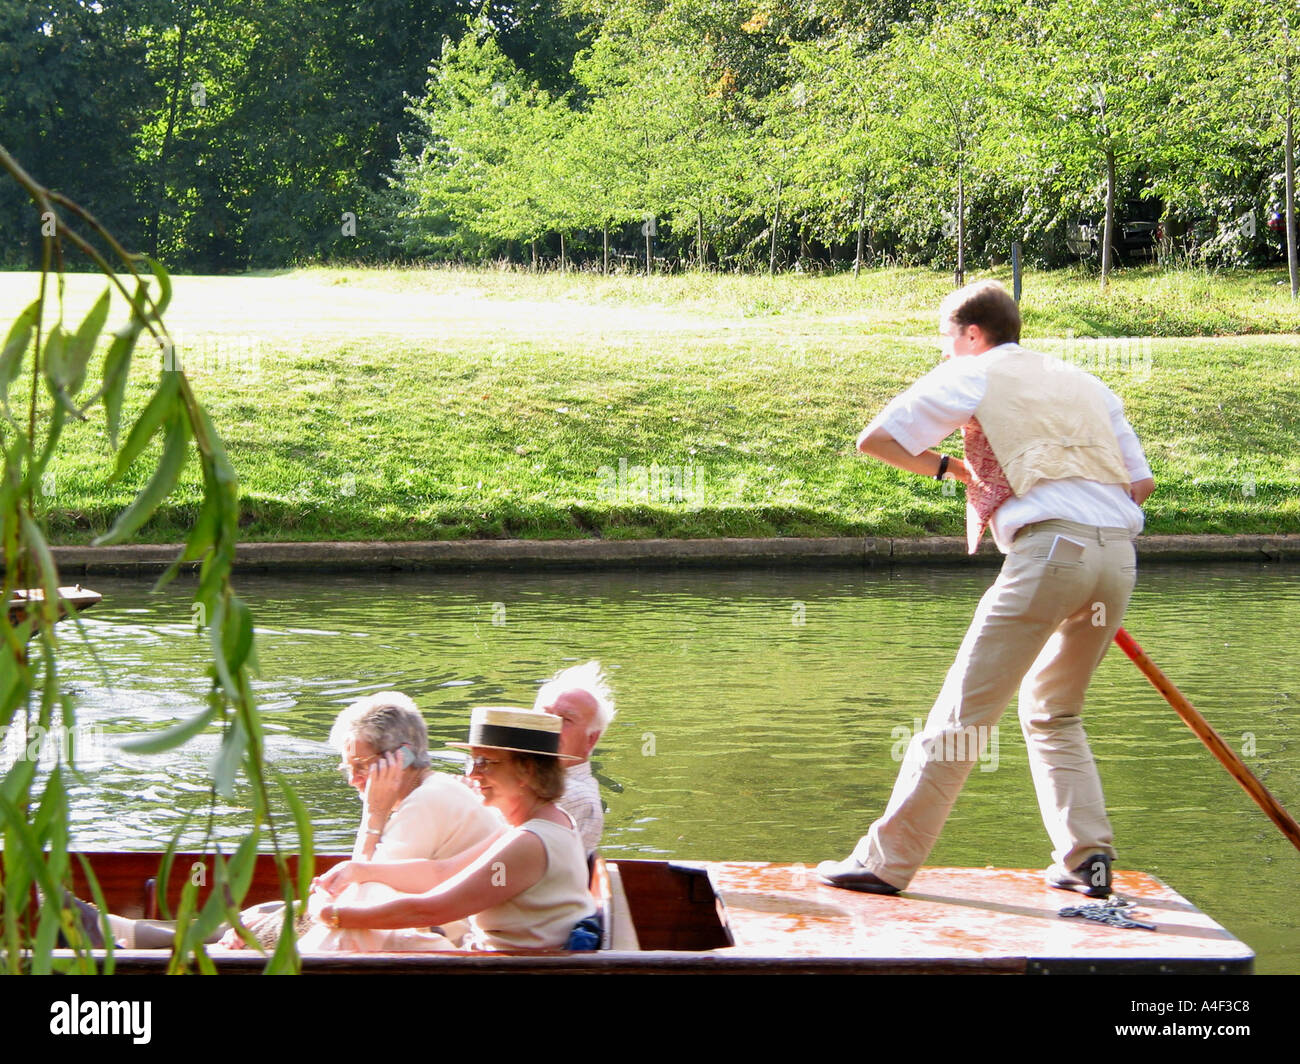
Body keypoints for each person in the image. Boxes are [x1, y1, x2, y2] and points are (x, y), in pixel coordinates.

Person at [818, 279, 1155, 899]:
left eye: (948, 340)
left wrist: (953, 467)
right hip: (1117, 558)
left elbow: (878, 439)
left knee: (962, 716)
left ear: (973, 334)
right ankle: (1090, 862)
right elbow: (1141, 484)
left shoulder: (976, 373)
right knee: (1055, 713)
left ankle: (884, 864)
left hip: (1050, 554)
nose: (946, 352)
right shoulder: (1088, 383)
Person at [306, 706, 597, 951]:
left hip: (499, 969)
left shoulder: (529, 842)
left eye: (485, 763)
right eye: (473, 760)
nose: (471, 773)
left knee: (351, 929)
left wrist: (331, 915)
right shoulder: (536, 823)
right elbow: (442, 872)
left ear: (527, 771)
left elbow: (431, 909)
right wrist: (360, 871)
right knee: (366, 892)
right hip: (488, 959)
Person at [533, 660, 615, 853]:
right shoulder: (531, 780)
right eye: (545, 714)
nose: (550, 726)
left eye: (566, 720)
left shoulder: (570, 795)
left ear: (590, 740)